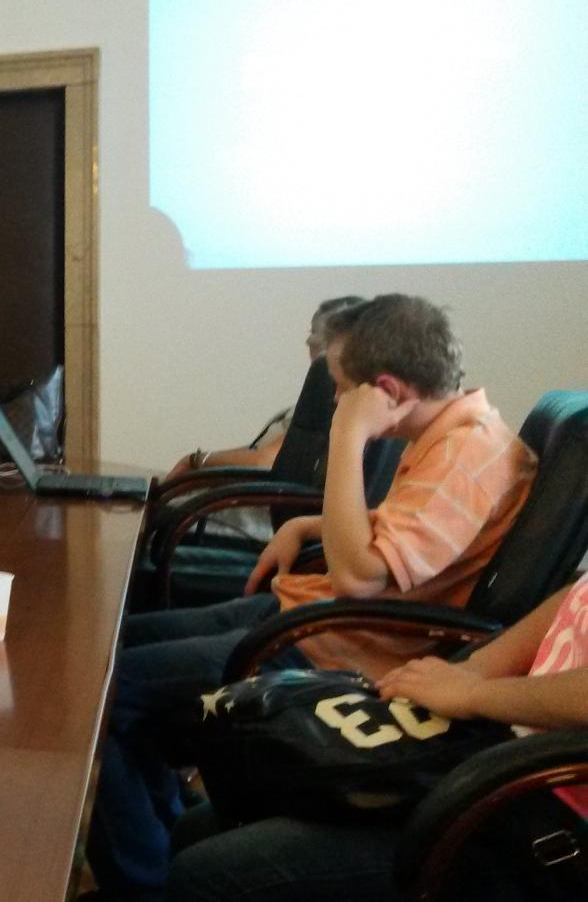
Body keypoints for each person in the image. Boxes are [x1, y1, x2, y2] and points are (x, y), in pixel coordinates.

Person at [88, 294, 539, 899]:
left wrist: (348, 436)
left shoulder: (467, 456)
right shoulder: (452, 436)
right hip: (311, 615)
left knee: (105, 693)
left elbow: (358, 579)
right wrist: (309, 524)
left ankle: (142, 888)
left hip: (333, 645)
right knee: (110, 652)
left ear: (387, 391)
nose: (335, 401)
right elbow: (404, 533)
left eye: (342, 391)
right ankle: (163, 843)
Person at [167, 568, 588, 901]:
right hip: (491, 756)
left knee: (205, 874)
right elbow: (575, 593)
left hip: (542, 813)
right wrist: (470, 671)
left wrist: (474, 694)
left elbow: (359, 574)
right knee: (198, 826)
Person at [168, 296, 367, 477]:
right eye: (312, 337)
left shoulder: (333, 409)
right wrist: (200, 461)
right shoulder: (304, 407)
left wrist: (197, 460)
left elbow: (267, 461)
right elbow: (257, 452)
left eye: (321, 338)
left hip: (252, 501)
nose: (310, 344)